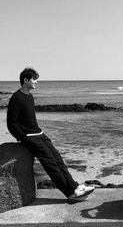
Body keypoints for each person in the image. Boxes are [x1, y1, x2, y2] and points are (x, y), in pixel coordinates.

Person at [7, 67, 94, 201]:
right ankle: (71, 193)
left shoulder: (30, 96)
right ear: (25, 80)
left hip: (39, 133)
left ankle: (75, 187)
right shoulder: (16, 97)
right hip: (30, 138)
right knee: (50, 163)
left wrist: (38, 133)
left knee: (58, 158)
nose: (36, 82)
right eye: (34, 79)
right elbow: (11, 124)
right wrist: (24, 139)